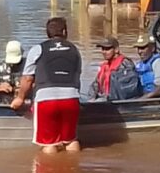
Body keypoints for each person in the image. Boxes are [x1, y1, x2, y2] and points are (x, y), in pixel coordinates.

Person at [11, 17, 82, 154]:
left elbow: (27, 78)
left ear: (47, 33)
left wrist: (20, 98)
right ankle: (73, 170)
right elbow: (77, 76)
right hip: (71, 99)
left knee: (49, 144)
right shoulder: (74, 50)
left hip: (46, 100)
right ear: (65, 31)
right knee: (71, 140)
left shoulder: (38, 49)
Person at [86, 36, 142, 101]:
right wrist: (91, 98)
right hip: (103, 100)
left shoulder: (125, 64)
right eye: (102, 49)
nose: (104, 52)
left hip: (117, 103)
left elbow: (126, 90)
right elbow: (95, 85)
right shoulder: (104, 66)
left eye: (107, 49)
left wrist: (106, 98)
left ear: (116, 50)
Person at [133, 34, 160, 98]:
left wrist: (141, 100)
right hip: (147, 99)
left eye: (143, 48)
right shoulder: (140, 65)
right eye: (138, 48)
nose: (139, 51)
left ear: (153, 48)